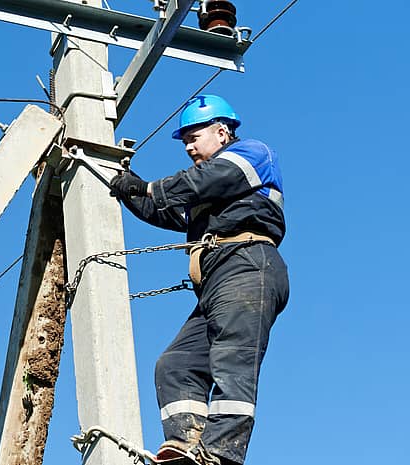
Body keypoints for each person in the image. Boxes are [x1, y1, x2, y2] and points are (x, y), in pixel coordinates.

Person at [107, 95, 289, 465]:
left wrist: (148, 188)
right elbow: (165, 208)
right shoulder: (207, 191)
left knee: (231, 358)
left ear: (222, 132)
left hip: (248, 264)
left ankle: (220, 454)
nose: (188, 146)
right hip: (219, 278)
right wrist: (125, 185)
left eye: (195, 136)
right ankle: (185, 445)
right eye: (185, 139)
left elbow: (201, 182)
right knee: (175, 364)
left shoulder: (253, 154)